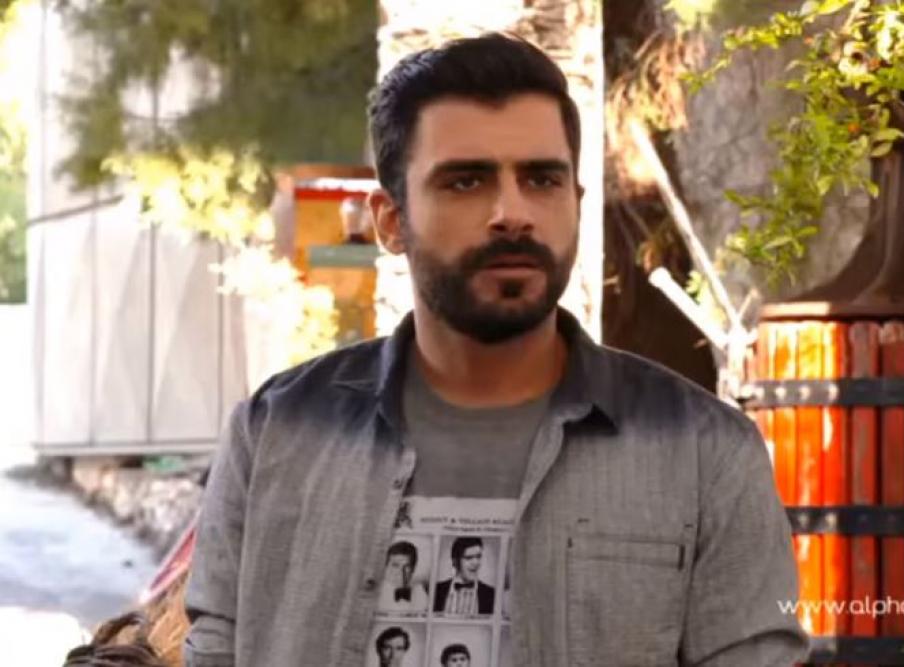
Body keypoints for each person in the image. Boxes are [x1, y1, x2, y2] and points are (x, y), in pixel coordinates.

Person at [184, 32, 808, 667]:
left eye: (541, 179)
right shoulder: (277, 434)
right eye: (465, 182)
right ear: (391, 221)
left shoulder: (704, 454)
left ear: (575, 204)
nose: (512, 213)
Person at [433, 537, 494, 615]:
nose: (476, 563)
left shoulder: (492, 594)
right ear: (455, 561)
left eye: (478, 557)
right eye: (469, 558)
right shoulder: (436, 590)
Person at [380, 541, 430, 612]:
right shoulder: (375, 594)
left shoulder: (421, 594)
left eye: (406, 566)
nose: (400, 572)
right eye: (395, 565)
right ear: (386, 566)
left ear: (413, 569)